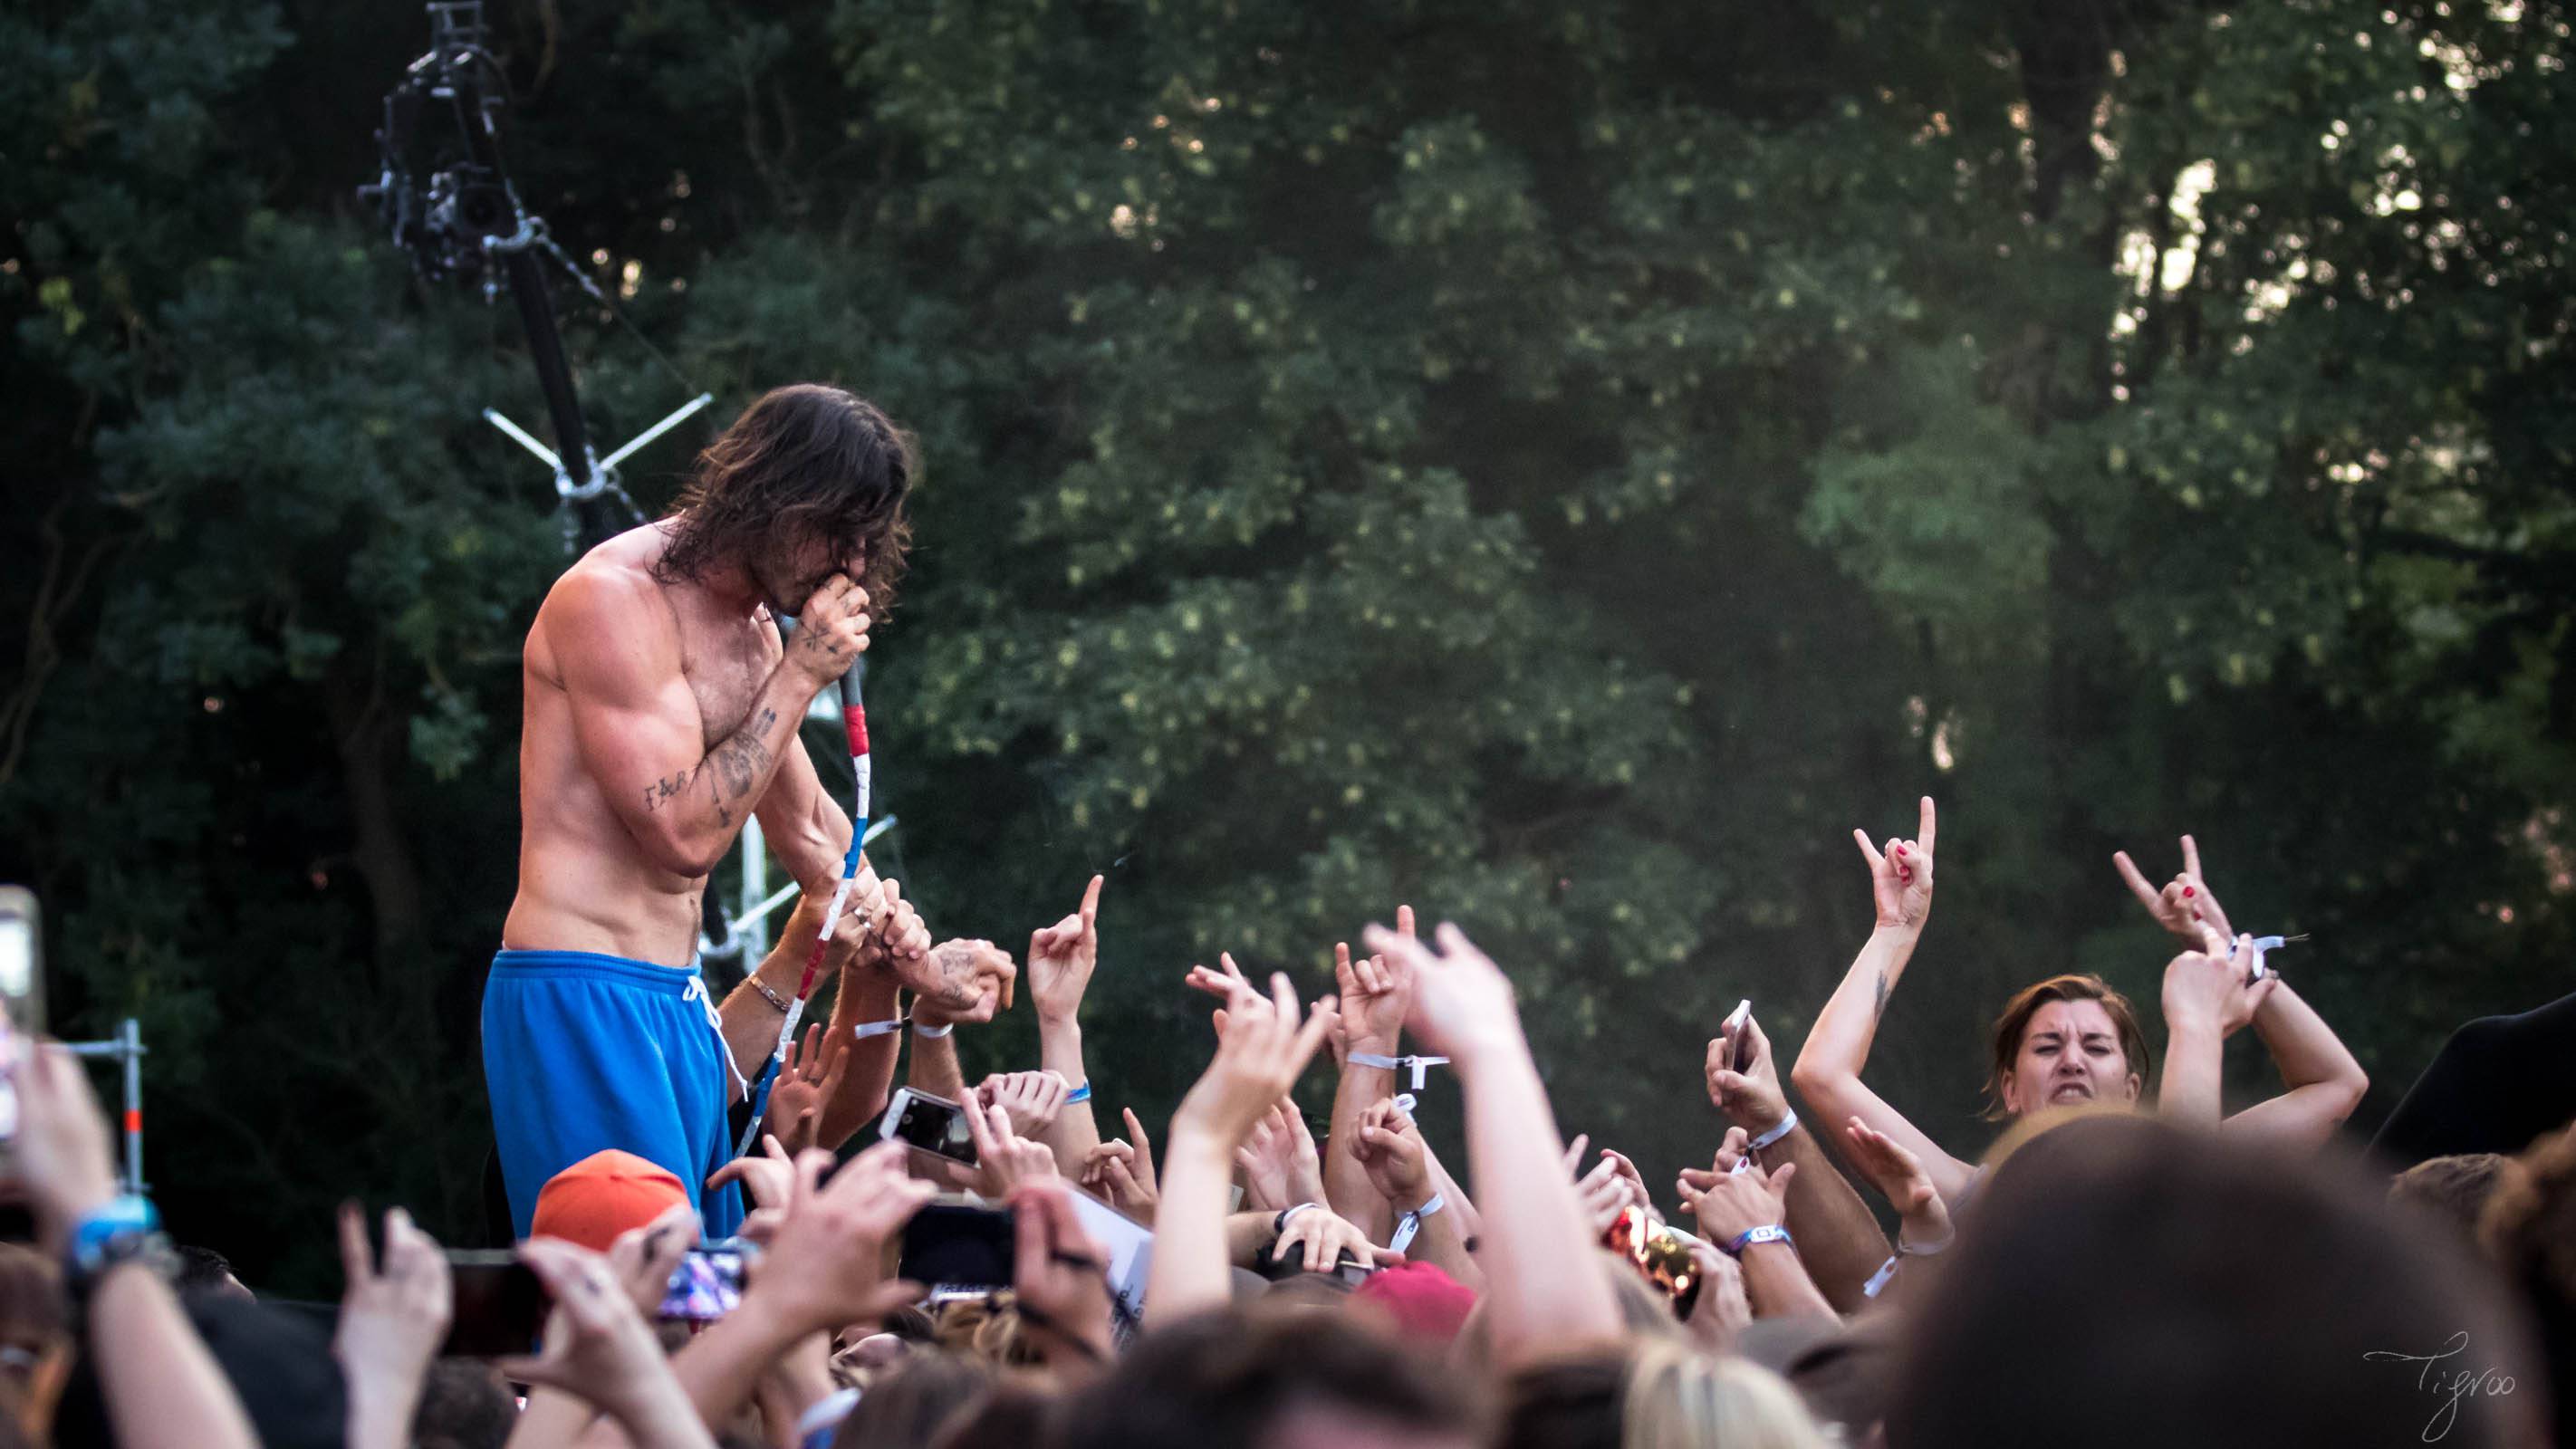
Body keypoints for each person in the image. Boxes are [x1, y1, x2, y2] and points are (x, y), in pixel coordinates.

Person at [485, 383, 961, 1238]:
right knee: (641, 1303)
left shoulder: (755, 632)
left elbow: (818, 836)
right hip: (584, 987)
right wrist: (802, 674)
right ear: (774, 498)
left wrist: (913, 954)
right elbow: (681, 837)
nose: (849, 568)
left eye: (866, 543)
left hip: (677, 1001)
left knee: (711, 1289)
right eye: (836, 534)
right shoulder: (615, 599)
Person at [1792, 801, 2366, 1209]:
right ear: (2010, 1088)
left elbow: (2336, 1085)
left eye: (2095, 1046)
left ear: (2131, 1090)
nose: (2072, 1060)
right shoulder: (1970, 1202)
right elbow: (1822, 1073)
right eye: (2047, 1046)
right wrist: (1897, 929)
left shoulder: (2202, 1162)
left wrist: (2232, 951)